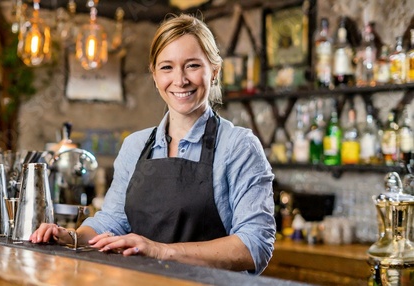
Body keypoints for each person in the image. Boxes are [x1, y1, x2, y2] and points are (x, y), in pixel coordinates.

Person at [30, 13, 275, 275]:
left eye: (192, 65)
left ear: (214, 71)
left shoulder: (238, 146)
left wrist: (161, 251)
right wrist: (71, 238)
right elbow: (112, 221)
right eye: (167, 67)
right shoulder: (134, 146)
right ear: (155, 75)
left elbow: (255, 245)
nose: (180, 80)